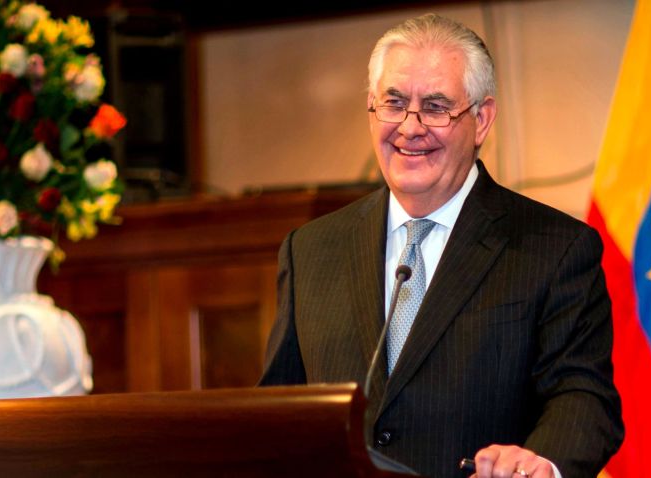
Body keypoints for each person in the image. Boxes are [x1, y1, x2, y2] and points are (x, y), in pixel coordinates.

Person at [259, 13, 623, 478]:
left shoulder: (556, 248)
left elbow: (582, 396)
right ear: (371, 107)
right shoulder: (309, 250)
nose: (411, 128)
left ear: (481, 119)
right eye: (393, 103)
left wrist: (540, 464)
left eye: (435, 107)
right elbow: (280, 410)